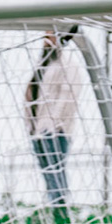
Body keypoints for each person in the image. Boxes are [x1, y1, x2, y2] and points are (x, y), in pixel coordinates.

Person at [27, 31, 84, 211]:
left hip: (56, 131)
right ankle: (55, 212)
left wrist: (53, 124)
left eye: (50, 35)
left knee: (55, 173)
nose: (45, 39)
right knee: (48, 174)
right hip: (38, 129)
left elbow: (68, 96)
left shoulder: (68, 65)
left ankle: (62, 214)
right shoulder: (42, 64)